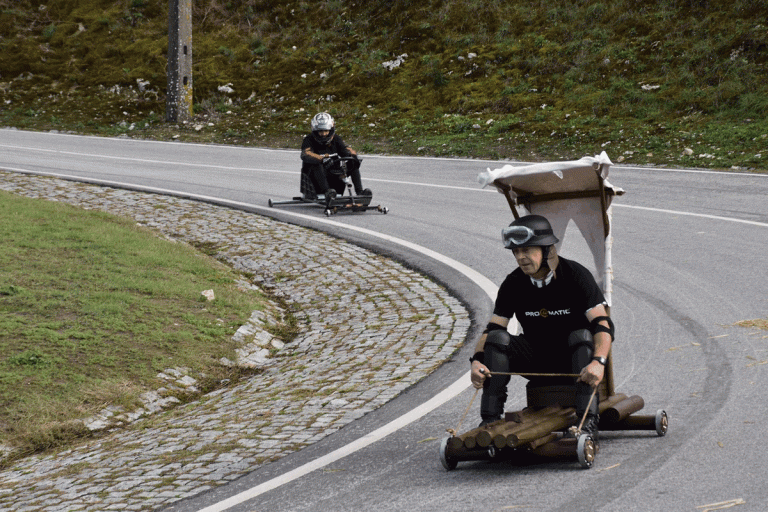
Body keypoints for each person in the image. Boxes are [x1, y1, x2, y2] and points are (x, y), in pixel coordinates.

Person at [469, 214, 614, 440]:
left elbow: (602, 325)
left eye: (527, 250)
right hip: (536, 358)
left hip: (575, 360)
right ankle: (490, 420)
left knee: (582, 335)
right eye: (516, 252)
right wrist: (477, 360)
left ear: (547, 250)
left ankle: (587, 421)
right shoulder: (513, 283)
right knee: (497, 338)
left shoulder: (575, 276)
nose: (521, 257)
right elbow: (491, 330)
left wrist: (599, 362)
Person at [300, 112, 370, 205]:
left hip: (333, 172)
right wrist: (321, 159)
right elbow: (305, 153)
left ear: (331, 129)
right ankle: (327, 192)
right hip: (315, 177)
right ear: (315, 131)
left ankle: (360, 192)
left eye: (326, 131)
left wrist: (353, 157)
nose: (324, 134)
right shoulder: (308, 140)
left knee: (353, 164)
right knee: (317, 165)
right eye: (320, 131)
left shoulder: (336, 139)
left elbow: (345, 150)